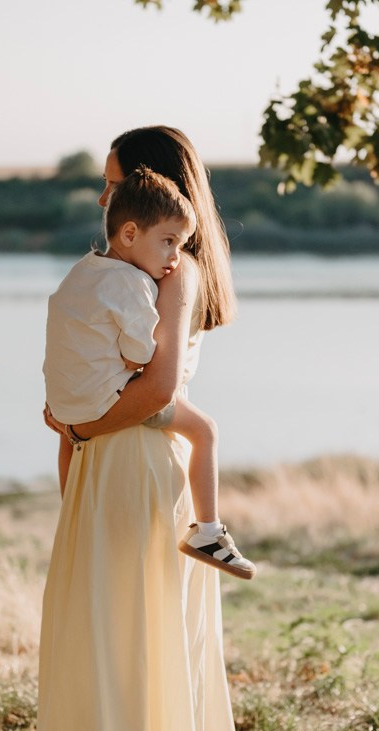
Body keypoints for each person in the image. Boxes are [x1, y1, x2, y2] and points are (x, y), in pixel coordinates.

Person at [35, 125, 245, 731]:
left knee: (118, 642)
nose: (102, 195)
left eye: (112, 178)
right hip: (142, 458)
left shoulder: (167, 268)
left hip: (130, 459)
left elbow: (157, 390)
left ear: (144, 187)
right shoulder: (159, 267)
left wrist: (82, 421)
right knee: (165, 634)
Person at [44, 163, 256, 579]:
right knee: (205, 430)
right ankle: (209, 531)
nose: (175, 257)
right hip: (112, 401)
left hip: (65, 400)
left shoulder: (82, 271)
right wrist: (135, 359)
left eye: (179, 244)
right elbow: (143, 357)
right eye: (169, 242)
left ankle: (73, 515)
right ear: (129, 234)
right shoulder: (135, 284)